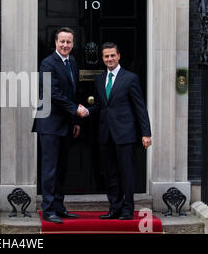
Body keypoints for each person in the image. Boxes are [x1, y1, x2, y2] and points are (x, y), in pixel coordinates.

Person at [79, 42, 152, 220]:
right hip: (106, 134)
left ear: (119, 56)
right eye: (106, 56)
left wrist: (146, 133)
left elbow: (140, 108)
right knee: (110, 174)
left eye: (112, 55)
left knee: (126, 173)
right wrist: (88, 111)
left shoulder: (130, 78)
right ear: (103, 58)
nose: (109, 59)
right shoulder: (99, 79)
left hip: (125, 134)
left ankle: (127, 210)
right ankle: (114, 208)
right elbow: (99, 105)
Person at [32, 27, 87, 224]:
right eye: (62, 41)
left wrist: (76, 120)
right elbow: (52, 92)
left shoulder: (72, 62)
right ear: (55, 42)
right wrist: (75, 110)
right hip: (49, 124)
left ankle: (58, 206)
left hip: (66, 124)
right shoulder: (47, 63)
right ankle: (48, 210)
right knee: (50, 169)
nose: (65, 45)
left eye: (69, 42)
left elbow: (74, 92)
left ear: (73, 44)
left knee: (62, 168)